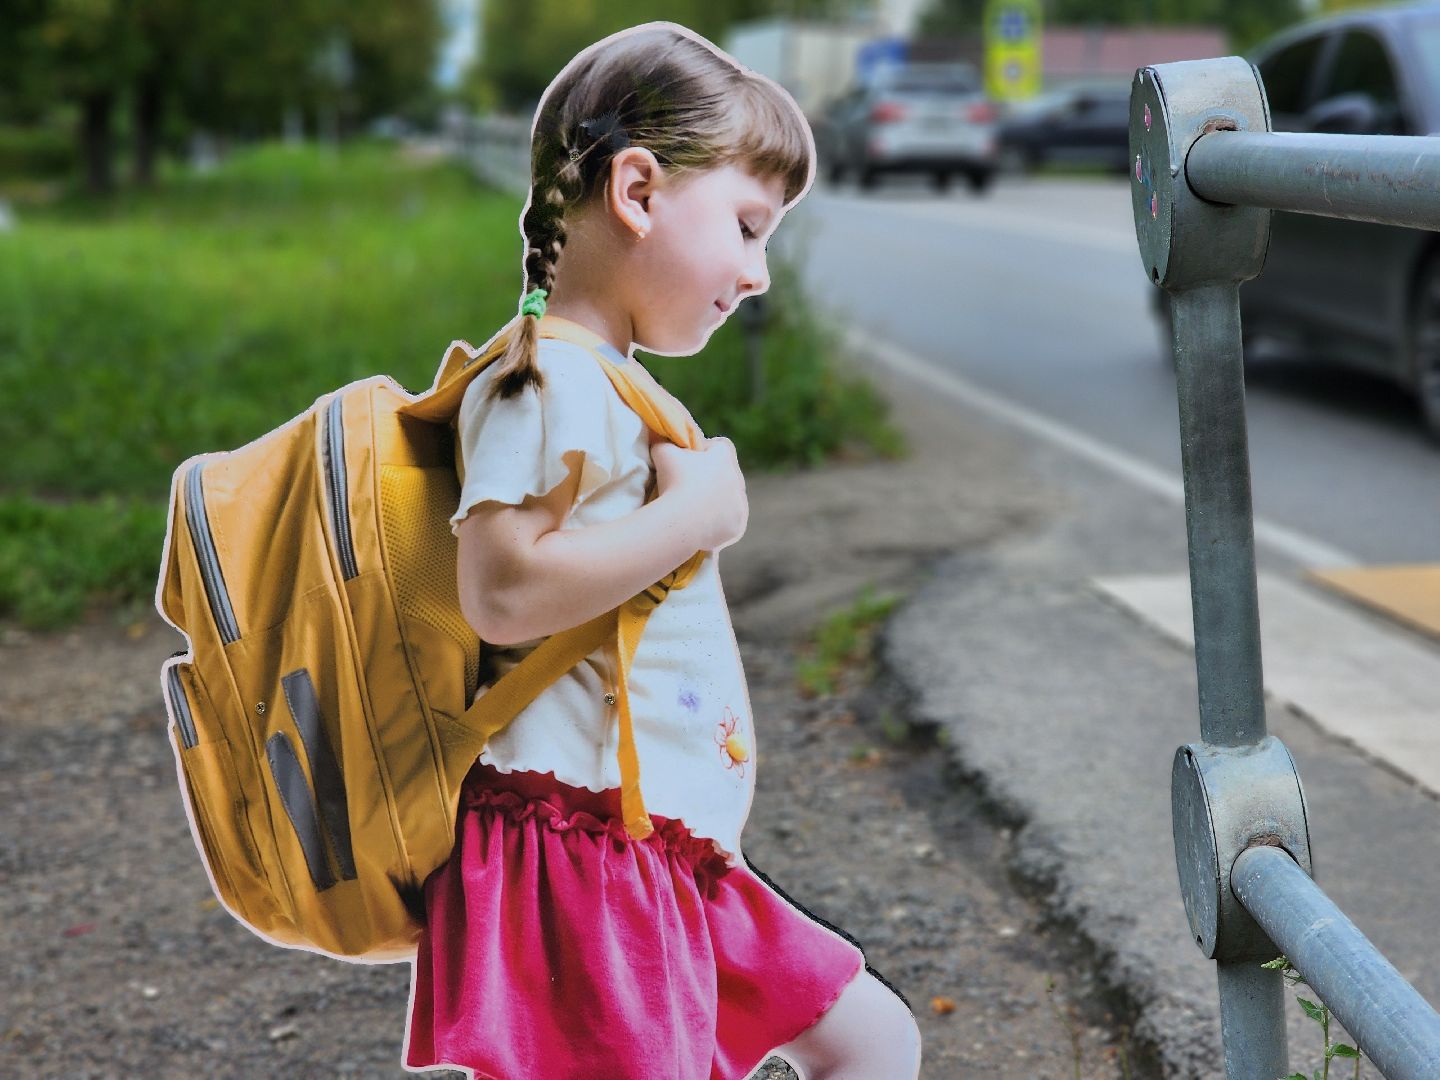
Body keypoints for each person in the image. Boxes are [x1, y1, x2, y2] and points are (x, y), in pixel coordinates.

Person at [402, 22, 922, 1080]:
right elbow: (502, 590)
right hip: (582, 850)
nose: (759, 270)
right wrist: (698, 517)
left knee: (873, 1038)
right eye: (745, 224)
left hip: (656, 849)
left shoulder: (601, 380)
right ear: (637, 193)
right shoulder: (545, 381)